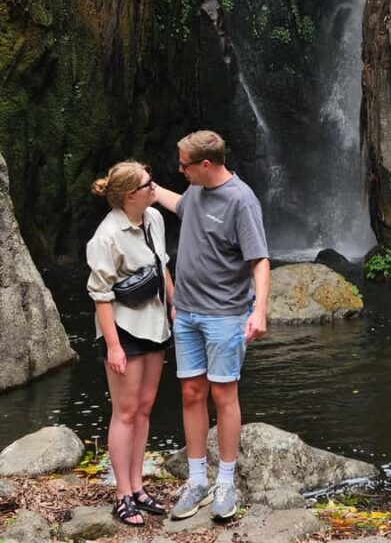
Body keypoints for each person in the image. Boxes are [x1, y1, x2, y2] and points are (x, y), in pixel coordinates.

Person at [153, 130, 270, 521]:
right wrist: (147, 189)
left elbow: (259, 260)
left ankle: (226, 481)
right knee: (190, 392)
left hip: (225, 314)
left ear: (206, 164)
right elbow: (178, 204)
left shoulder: (241, 200)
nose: (179, 169)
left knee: (224, 396)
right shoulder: (197, 194)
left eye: (184, 164)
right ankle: (197, 479)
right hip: (186, 312)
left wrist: (260, 311)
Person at [86, 161, 175, 527]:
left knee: (144, 407)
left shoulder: (154, 219)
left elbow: (162, 265)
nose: (154, 186)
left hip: (154, 324)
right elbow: (101, 296)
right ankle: (122, 494)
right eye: (146, 183)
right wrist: (113, 347)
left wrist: (175, 305)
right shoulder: (106, 237)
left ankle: (138, 486)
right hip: (123, 329)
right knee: (124, 412)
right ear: (128, 196)